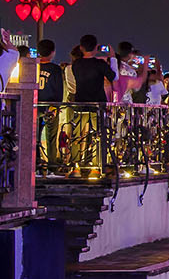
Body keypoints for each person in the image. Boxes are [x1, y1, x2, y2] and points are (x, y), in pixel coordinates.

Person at [68, 34, 114, 174]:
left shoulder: (76, 65)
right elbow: (113, 77)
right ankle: (97, 166)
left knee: (77, 135)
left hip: (80, 102)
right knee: (99, 134)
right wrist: (111, 57)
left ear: (81, 48)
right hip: (98, 103)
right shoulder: (99, 64)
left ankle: (75, 165)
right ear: (96, 48)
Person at [35, 39, 65, 173]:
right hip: (50, 106)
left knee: (34, 136)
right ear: (53, 52)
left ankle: (36, 163)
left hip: (35, 105)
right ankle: (52, 165)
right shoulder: (55, 69)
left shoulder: (34, 67)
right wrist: (56, 106)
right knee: (51, 137)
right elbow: (59, 89)